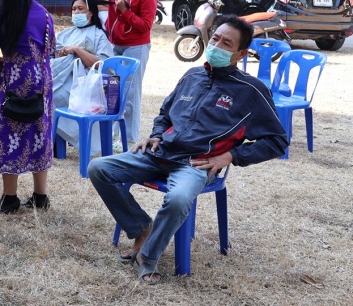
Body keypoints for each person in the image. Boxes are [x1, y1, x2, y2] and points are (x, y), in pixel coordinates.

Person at [87, 15, 287, 284]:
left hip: (196, 164)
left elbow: (277, 141)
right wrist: (156, 135)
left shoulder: (251, 91)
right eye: (215, 38)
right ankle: (142, 228)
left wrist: (231, 156)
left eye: (226, 43)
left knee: (179, 199)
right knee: (98, 168)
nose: (216, 46)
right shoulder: (192, 75)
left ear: (240, 54)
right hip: (161, 153)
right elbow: (165, 114)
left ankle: (148, 256)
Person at [0, 0, 56, 213]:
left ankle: (10, 199)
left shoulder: (6, 16)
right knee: (39, 133)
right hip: (41, 81)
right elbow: (51, 48)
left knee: (7, 134)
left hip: (14, 79)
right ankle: (40, 197)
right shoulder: (45, 15)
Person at [81, 0, 157, 147]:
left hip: (136, 46)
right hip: (114, 43)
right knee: (112, 90)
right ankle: (114, 134)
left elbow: (146, 26)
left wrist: (125, 11)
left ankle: (129, 139)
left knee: (130, 93)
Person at [51, 0, 114, 152]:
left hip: (87, 83)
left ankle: (71, 137)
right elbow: (54, 57)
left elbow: (102, 65)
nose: (76, 12)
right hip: (64, 78)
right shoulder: (65, 34)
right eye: (74, 9)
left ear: (90, 13)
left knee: (57, 95)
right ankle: (53, 140)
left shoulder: (99, 35)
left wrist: (77, 50)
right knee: (45, 92)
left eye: (80, 9)